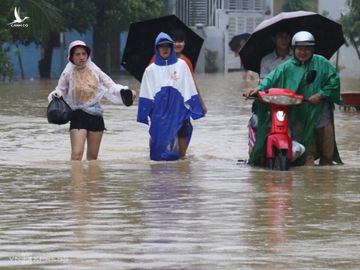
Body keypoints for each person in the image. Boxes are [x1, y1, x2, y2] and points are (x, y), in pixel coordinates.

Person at [244, 31, 343, 166]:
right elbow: (270, 79)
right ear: (294, 49)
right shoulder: (286, 67)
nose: (303, 52)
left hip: (321, 113)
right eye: (300, 49)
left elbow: (334, 81)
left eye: (307, 49)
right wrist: (256, 91)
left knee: (327, 152)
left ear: (312, 49)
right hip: (299, 115)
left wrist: (320, 95)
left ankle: (325, 182)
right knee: (307, 153)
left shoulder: (322, 63)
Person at [48, 40, 136, 161]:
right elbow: (60, 90)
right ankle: (76, 180)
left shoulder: (95, 70)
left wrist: (124, 91)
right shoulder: (67, 72)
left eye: (84, 54)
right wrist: (56, 94)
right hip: (77, 114)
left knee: (92, 158)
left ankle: (92, 180)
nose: (81, 57)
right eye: (77, 54)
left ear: (88, 55)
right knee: (76, 154)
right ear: (71, 57)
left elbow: (111, 86)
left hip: (96, 115)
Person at [137, 32, 205, 161]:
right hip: (159, 109)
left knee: (182, 132)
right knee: (156, 133)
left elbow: (190, 85)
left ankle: (182, 161)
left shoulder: (182, 64)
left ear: (171, 47)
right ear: (157, 48)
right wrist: (144, 113)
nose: (165, 49)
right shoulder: (150, 70)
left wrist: (197, 106)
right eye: (161, 46)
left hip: (179, 107)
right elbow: (146, 92)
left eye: (167, 46)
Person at [247, 28, 293, 158]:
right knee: (256, 123)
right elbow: (264, 81)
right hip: (269, 101)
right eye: (280, 37)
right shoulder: (266, 60)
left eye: (286, 37)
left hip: (291, 101)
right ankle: (255, 152)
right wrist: (256, 92)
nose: (284, 40)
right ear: (274, 39)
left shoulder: (296, 58)